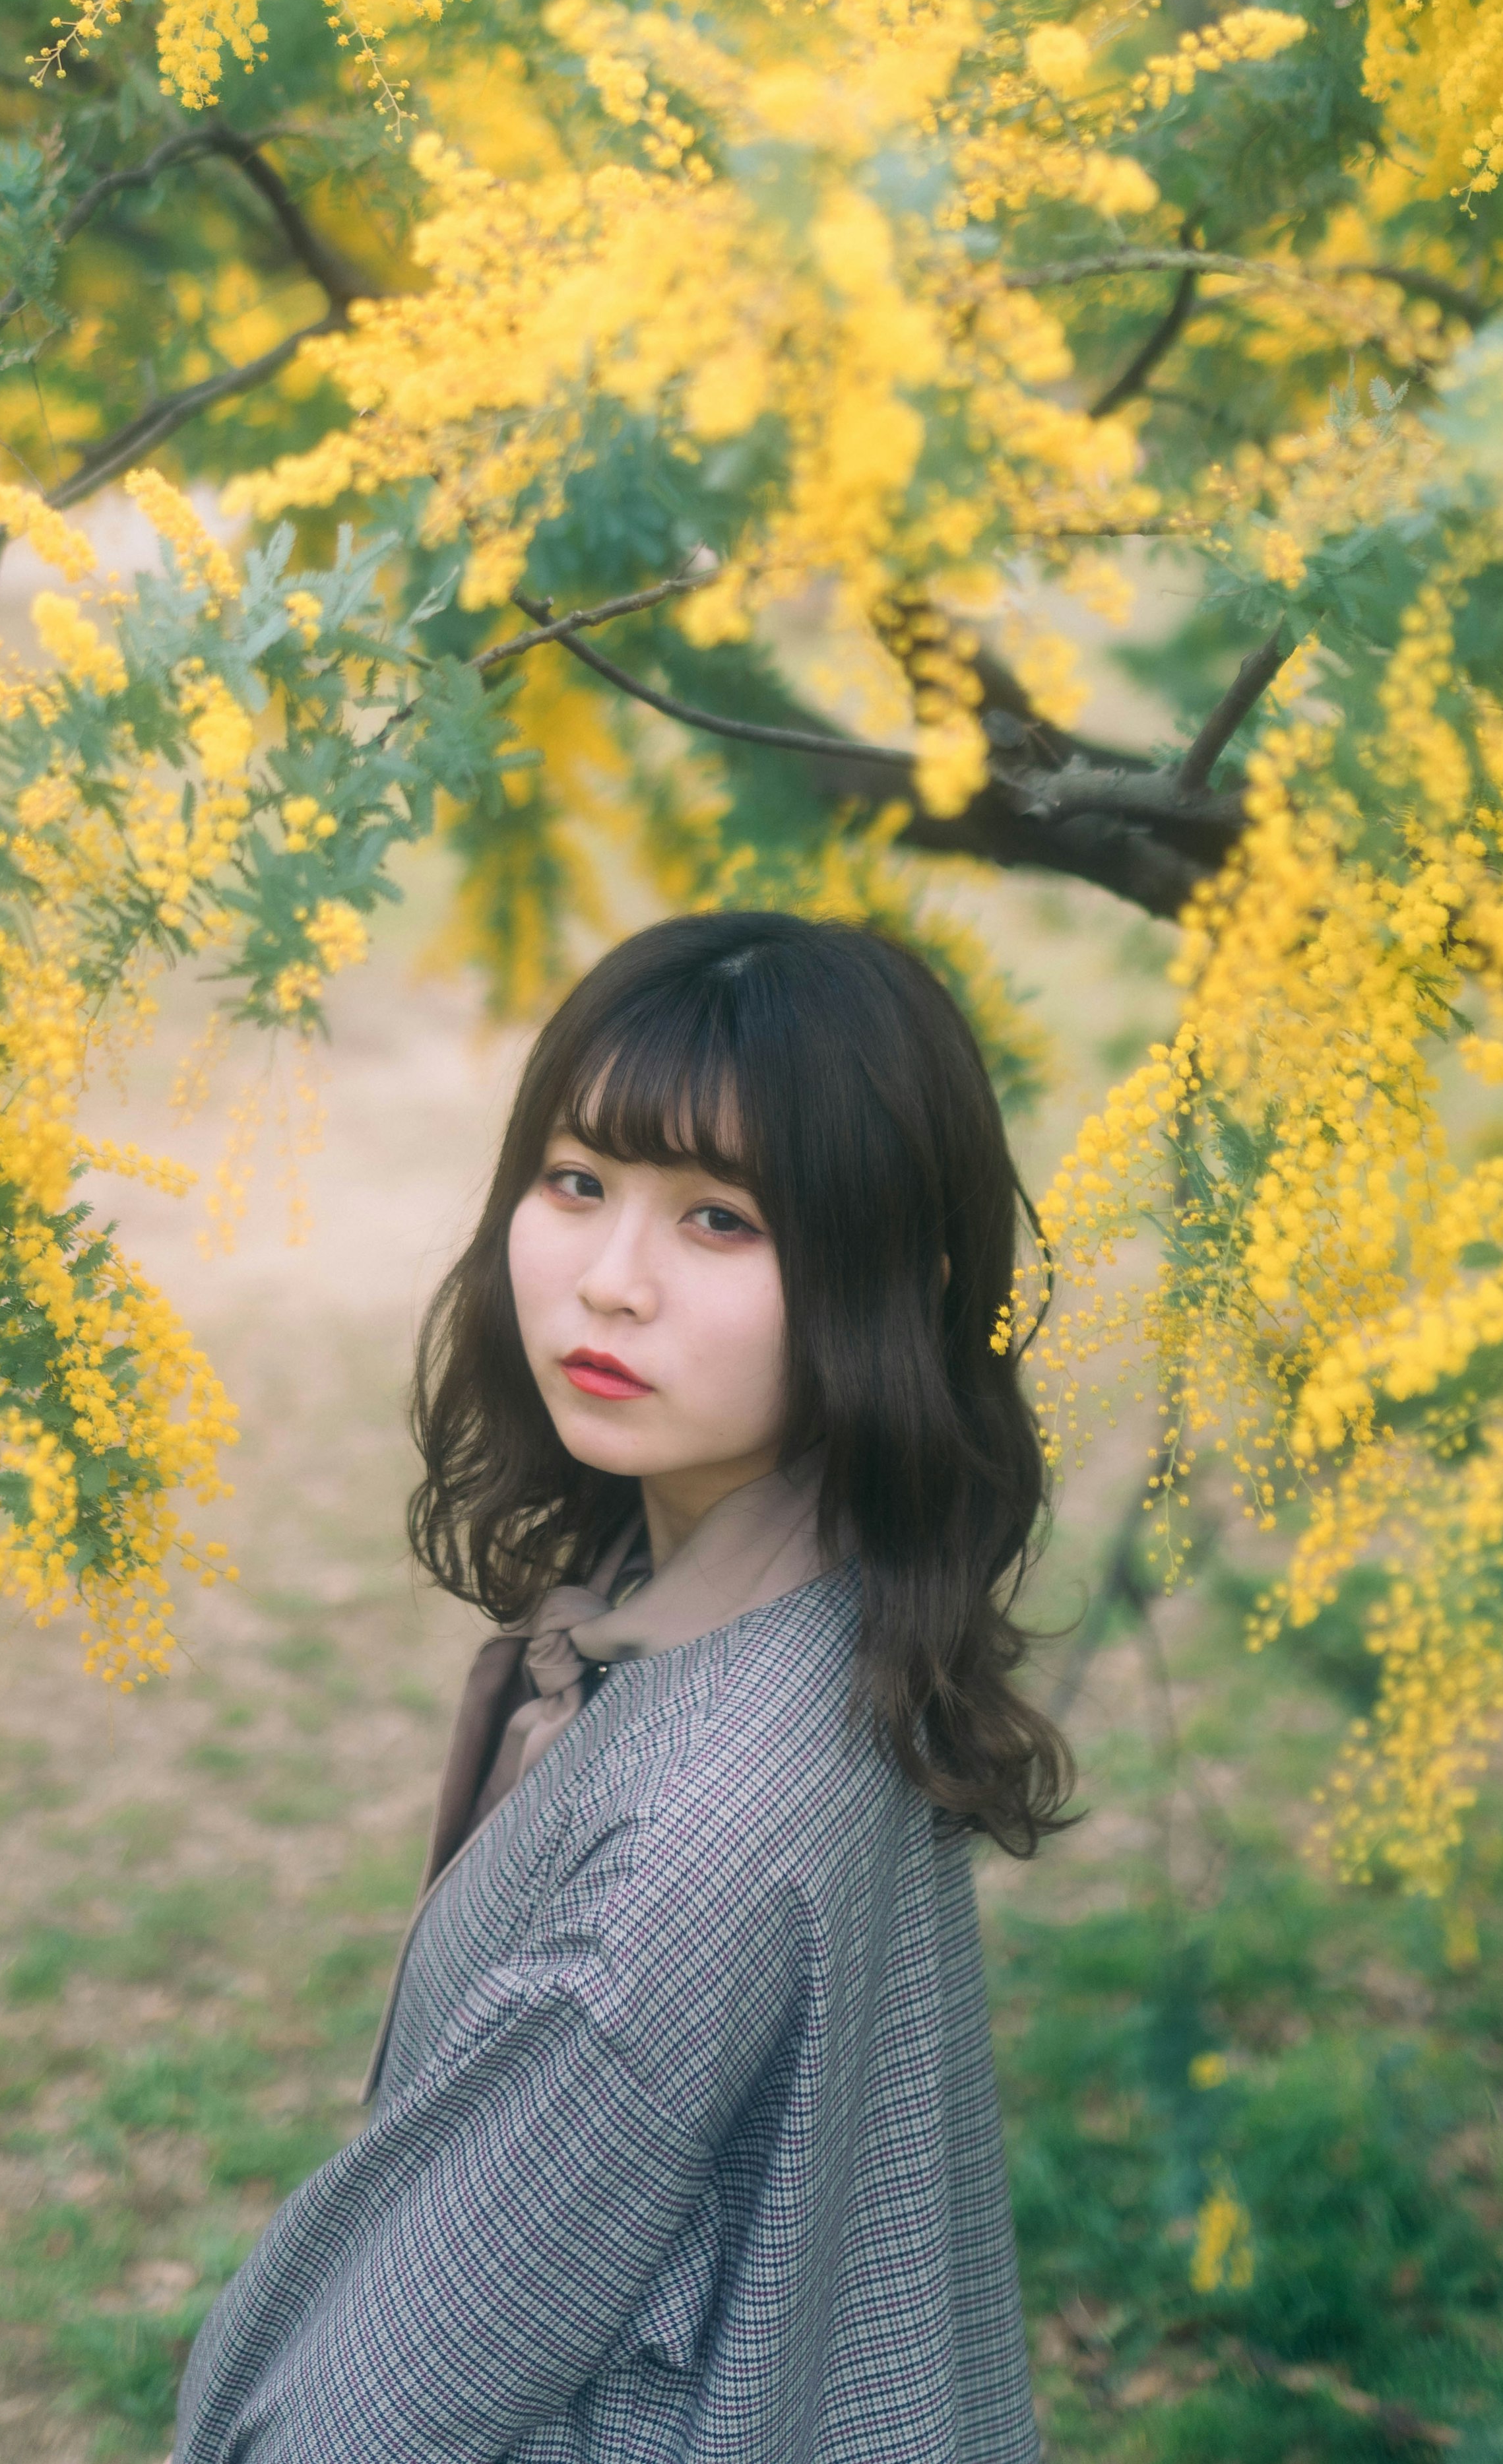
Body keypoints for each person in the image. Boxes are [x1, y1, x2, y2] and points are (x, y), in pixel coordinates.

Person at [172, 909, 1066, 2464]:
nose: (609, 1280)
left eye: (720, 1219)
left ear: (890, 1277)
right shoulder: (824, 1610)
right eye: (578, 1182)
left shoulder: (696, 1821)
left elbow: (388, 2394)